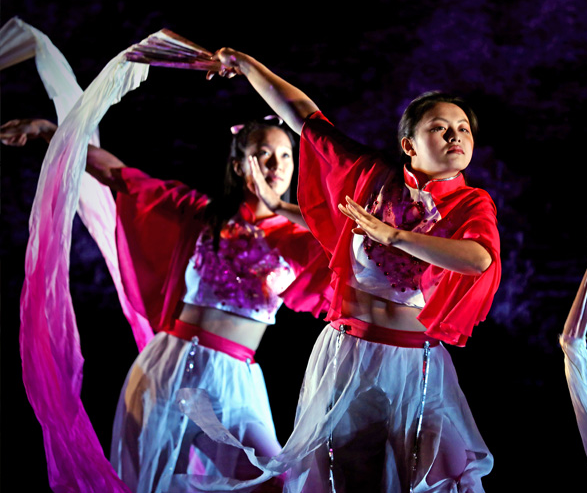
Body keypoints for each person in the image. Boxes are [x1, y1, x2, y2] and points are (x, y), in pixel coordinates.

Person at [179, 48, 502, 493]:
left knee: (432, 479)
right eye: (440, 128)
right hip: (351, 353)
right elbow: (305, 118)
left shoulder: (471, 203)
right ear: (409, 145)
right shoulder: (370, 176)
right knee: (352, 478)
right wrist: (248, 66)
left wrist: (395, 237)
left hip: (419, 364)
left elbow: (478, 257)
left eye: (463, 129)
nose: (456, 136)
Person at [0, 115, 332, 492]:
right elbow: (120, 176)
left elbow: (345, 244)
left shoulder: (300, 237)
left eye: (286, 156)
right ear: (240, 166)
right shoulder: (204, 216)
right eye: (264, 154)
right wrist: (47, 132)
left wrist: (284, 209)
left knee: (274, 483)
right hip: (169, 368)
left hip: (235, 382)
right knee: (144, 483)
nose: (277, 165)